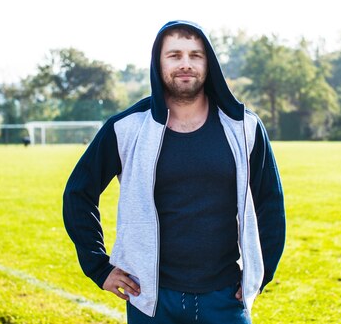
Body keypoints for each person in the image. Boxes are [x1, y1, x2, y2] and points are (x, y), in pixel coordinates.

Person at [63, 20, 285, 323]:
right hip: (151, 299)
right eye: (175, 55)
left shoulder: (244, 127)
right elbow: (79, 193)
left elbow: (270, 202)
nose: (186, 64)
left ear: (209, 63)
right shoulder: (127, 128)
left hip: (224, 298)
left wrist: (262, 271)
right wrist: (99, 267)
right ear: (158, 63)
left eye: (195, 55)